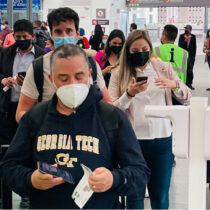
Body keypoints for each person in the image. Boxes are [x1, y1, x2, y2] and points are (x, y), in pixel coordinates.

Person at [0, 44, 150, 209]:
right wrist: (31, 179)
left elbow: (140, 173)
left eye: (79, 76)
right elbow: (9, 167)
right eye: (63, 78)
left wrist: (114, 179)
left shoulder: (111, 117)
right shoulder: (35, 117)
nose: (73, 84)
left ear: (90, 75)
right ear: (52, 79)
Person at [108, 30, 191, 209]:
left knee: (160, 196)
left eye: (145, 48)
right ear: (128, 51)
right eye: (135, 50)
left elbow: (187, 96)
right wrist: (129, 94)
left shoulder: (163, 68)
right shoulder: (118, 73)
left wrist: (175, 85)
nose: (141, 53)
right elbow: (111, 110)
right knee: (134, 196)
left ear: (150, 48)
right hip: (132, 144)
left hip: (162, 140)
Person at [16, 7, 112, 123]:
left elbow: (108, 104)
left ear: (77, 34)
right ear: (51, 35)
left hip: (86, 135)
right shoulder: (39, 67)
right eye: (58, 32)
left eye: (69, 31)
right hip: (50, 136)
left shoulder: (90, 64)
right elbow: (21, 112)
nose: (64, 36)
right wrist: (44, 124)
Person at [0, 19, 45, 208]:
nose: (21, 40)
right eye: (17, 37)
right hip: (8, 109)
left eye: (25, 37)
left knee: (30, 150)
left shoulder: (42, 56)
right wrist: (4, 80)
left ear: (33, 37)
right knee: (7, 152)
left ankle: (28, 192)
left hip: (32, 111)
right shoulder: (6, 53)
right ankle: (6, 194)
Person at [178, 24, 196, 90]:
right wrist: (185, 40)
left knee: (190, 70)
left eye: (187, 29)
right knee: (183, 69)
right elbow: (179, 46)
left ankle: (189, 84)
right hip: (183, 55)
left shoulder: (193, 36)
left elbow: (194, 47)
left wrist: (193, 56)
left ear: (190, 30)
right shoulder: (181, 36)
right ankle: (183, 83)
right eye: (185, 28)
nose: (186, 30)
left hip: (191, 56)